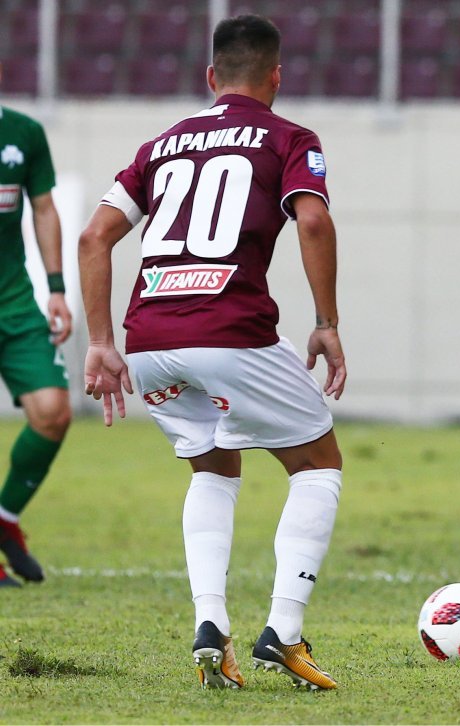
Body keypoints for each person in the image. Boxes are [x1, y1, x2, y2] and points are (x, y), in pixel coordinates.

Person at [79, 15, 347, 691]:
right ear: (276, 76)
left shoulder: (160, 145)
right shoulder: (288, 137)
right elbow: (313, 219)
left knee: (213, 468)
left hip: (149, 340)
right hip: (229, 330)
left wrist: (101, 342)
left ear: (210, 77)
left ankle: (210, 626)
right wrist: (326, 321)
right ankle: (284, 631)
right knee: (317, 463)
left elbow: (93, 238)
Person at [0, 61, 73, 588]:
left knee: (52, 412)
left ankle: (5, 519)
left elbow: (44, 209)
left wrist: (57, 288)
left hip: (15, 303)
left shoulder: (23, 132)